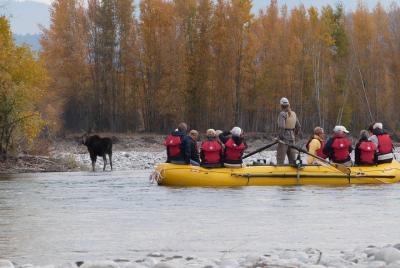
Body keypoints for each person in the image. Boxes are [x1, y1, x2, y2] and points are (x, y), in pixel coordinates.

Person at [276, 97, 300, 165]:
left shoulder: (282, 114)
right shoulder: (293, 113)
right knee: (292, 161)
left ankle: (279, 172)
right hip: (292, 139)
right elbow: (298, 127)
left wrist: (280, 137)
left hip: (283, 140)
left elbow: (282, 127)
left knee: (280, 160)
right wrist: (294, 135)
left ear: (281, 105)